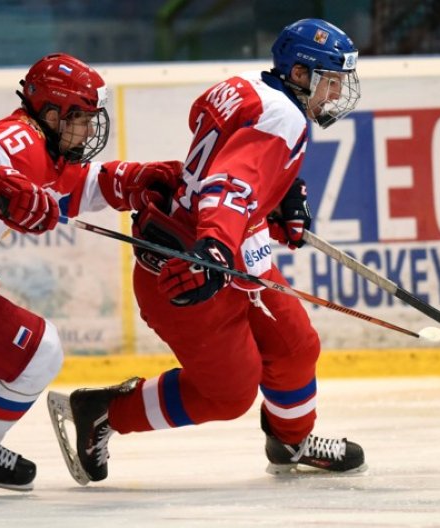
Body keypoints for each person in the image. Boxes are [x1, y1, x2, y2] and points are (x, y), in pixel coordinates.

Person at [48, 18, 365, 484]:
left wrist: (279, 192)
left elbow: (223, 155)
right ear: (300, 75)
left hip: (230, 254)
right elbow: (227, 184)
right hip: (188, 270)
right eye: (331, 82)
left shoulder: (247, 89)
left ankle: (290, 441)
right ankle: (103, 411)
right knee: (228, 395)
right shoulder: (285, 116)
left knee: (295, 344)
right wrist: (215, 246)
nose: (335, 95)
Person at [0, 53, 183, 491]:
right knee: (39, 352)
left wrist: (135, 180)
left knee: (35, 351)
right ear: (52, 113)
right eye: (83, 118)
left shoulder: (47, 152)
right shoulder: (17, 139)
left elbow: (81, 187)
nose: (91, 129)